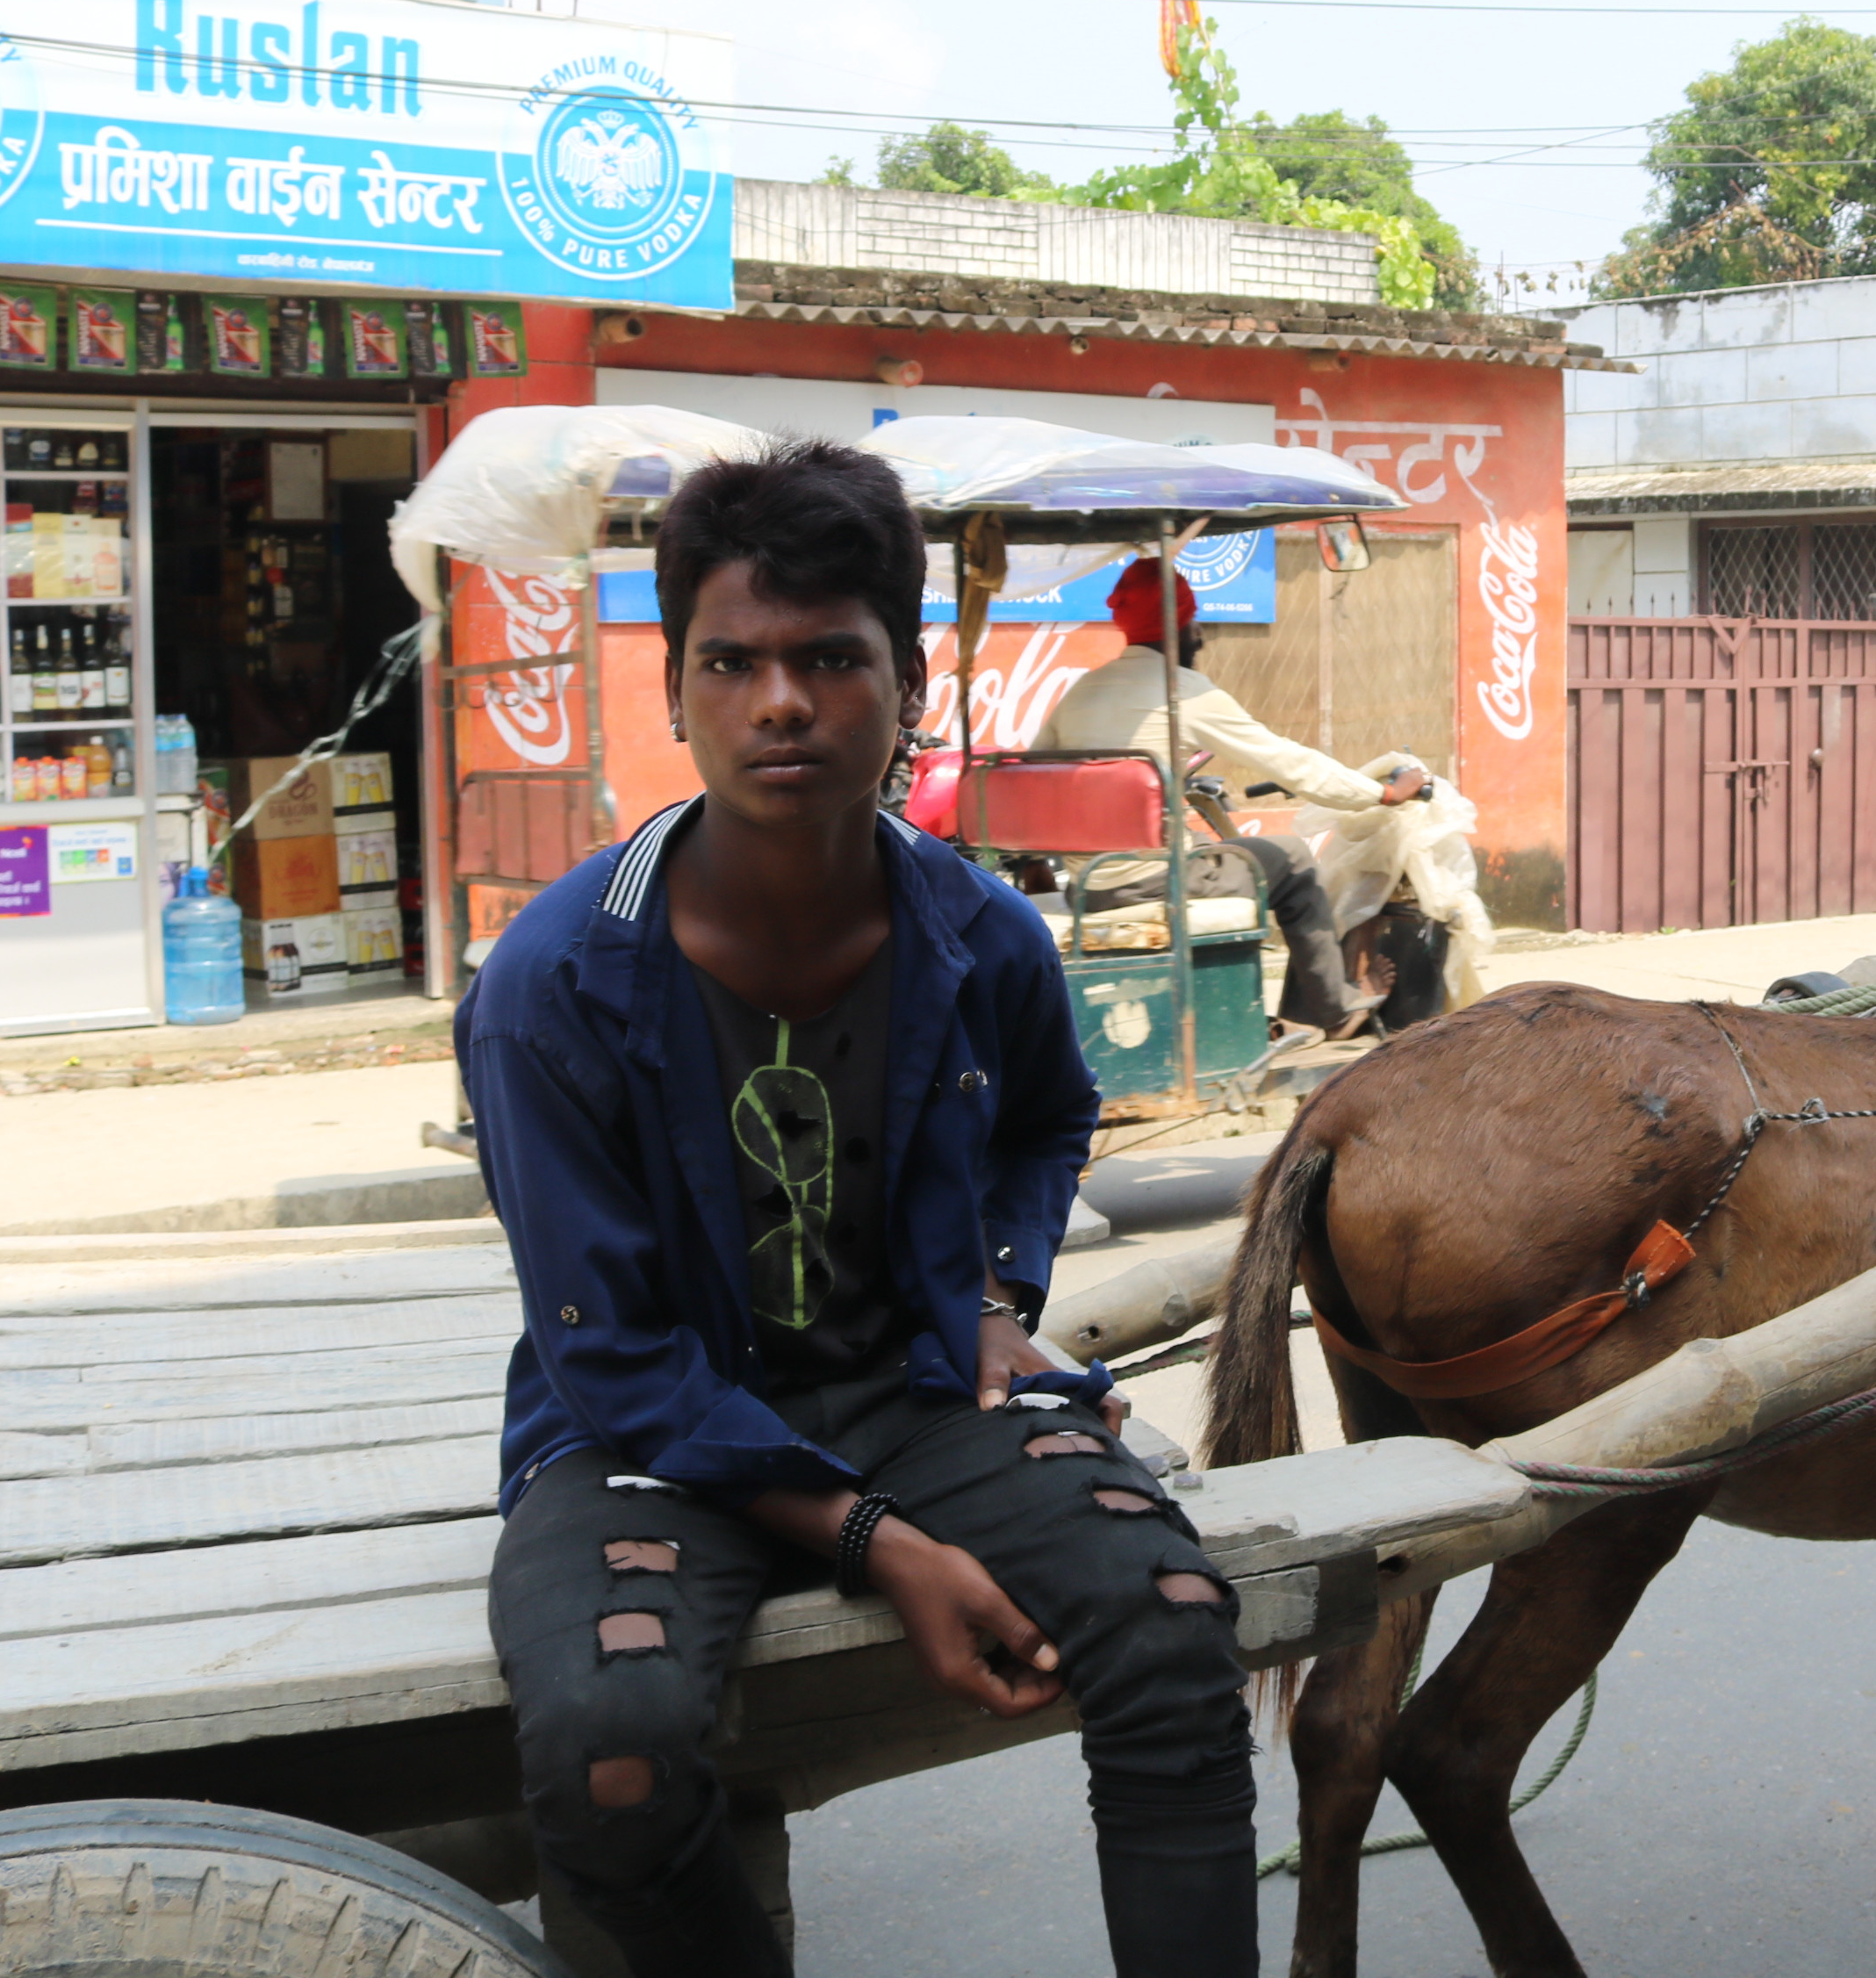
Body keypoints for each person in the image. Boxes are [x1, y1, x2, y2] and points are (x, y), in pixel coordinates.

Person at [462, 444, 1255, 1978]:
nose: (780, 703)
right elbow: (609, 1358)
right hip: (645, 1439)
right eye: (732, 662)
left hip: (912, 1394)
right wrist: (880, 1541)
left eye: (830, 659)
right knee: (610, 1760)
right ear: (677, 690)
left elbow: (1044, 1116)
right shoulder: (554, 984)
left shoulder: (979, 934)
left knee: (1168, 1619)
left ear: (904, 688)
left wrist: (994, 1301)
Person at [1040, 557, 1425, 1039]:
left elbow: (1041, 774)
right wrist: (1383, 792)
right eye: (1194, 621)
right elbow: (1289, 762)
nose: (1200, 633)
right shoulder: (1184, 692)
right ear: (1183, 623)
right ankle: (1337, 1007)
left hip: (1089, 887)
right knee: (1293, 856)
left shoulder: (1083, 690)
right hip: (1158, 882)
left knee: (1222, 853)